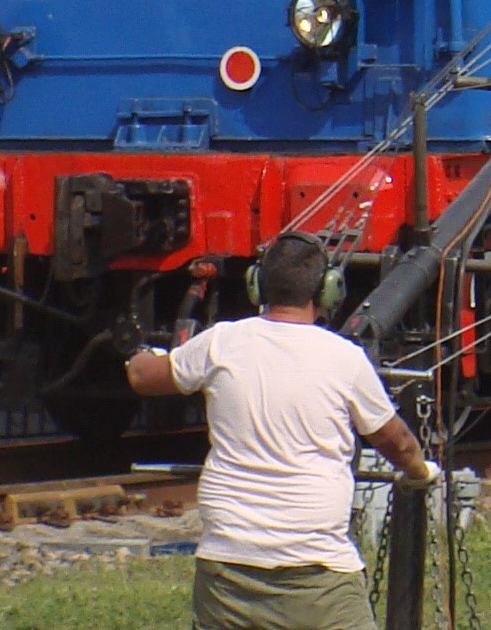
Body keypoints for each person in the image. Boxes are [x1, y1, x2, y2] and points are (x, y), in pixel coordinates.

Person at [125, 233, 435, 630]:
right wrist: (419, 472)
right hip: (318, 578)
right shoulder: (345, 359)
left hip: (228, 572)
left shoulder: (222, 342)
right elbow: (398, 442)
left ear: (256, 285)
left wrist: (143, 354)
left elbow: (142, 376)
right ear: (327, 291)